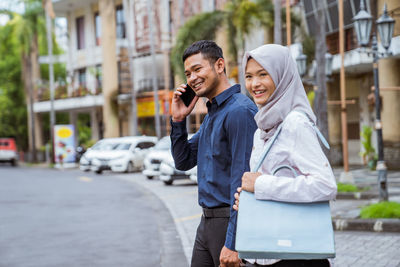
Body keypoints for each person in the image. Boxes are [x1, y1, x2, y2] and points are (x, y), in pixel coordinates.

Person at [233, 44, 337, 267]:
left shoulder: (294, 123)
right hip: (264, 249)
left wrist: (261, 185)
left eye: (263, 74)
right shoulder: (261, 128)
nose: (254, 84)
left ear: (281, 76)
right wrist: (250, 199)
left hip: (294, 254)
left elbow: (325, 185)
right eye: (249, 76)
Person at [170, 40, 258, 267]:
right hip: (206, 224)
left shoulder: (239, 111)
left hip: (228, 223)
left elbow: (243, 180)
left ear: (219, 65)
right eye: (188, 73)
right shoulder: (212, 115)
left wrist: (233, 242)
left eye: (198, 69)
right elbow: (183, 161)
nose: (191, 78)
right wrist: (178, 120)